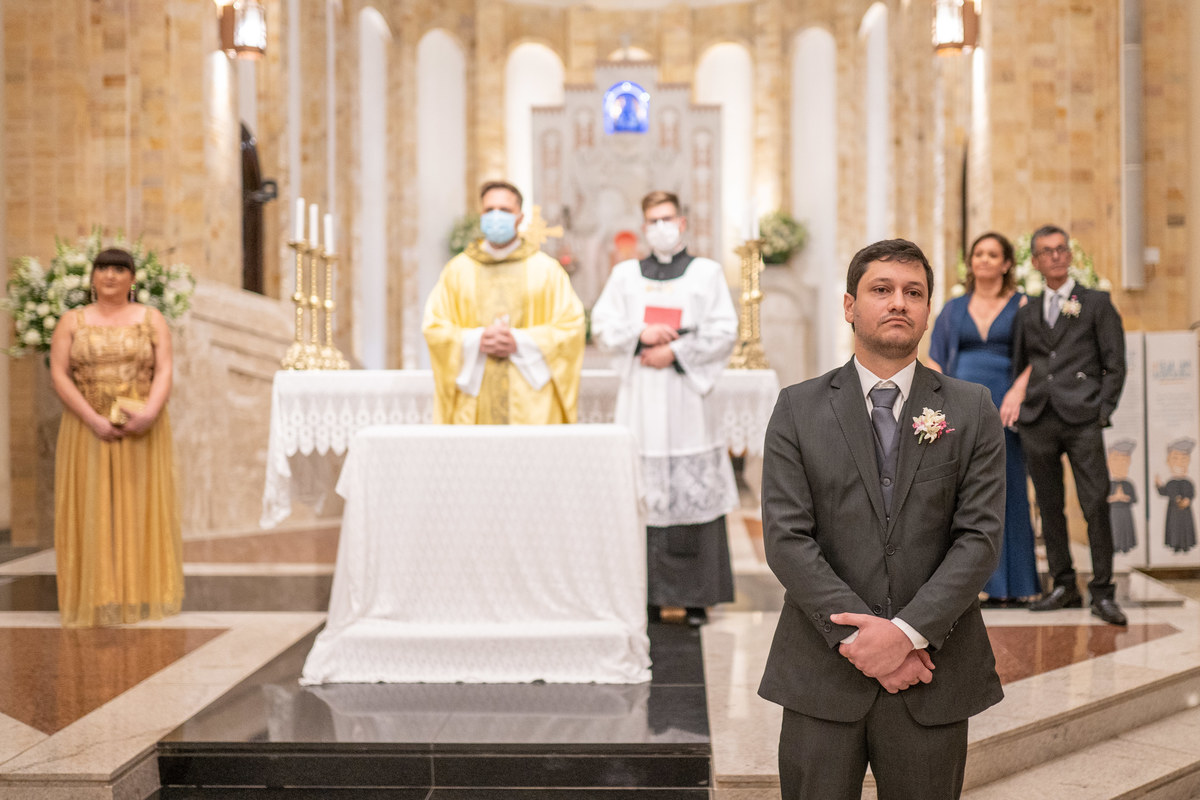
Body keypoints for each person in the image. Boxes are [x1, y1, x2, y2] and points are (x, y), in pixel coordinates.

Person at [758, 239, 1005, 800]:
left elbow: (980, 539)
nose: (899, 302)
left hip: (929, 672)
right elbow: (787, 539)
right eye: (882, 289)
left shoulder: (971, 409)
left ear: (927, 311)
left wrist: (906, 634)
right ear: (849, 306)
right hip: (822, 673)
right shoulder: (798, 408)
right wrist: (865, 641)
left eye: (913, 293)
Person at [590, 190, 739, 627]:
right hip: (641, 399)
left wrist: (674, 353)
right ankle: (648, 596)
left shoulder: (707, 273)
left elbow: (724, 331)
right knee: (645, 494)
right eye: (652, 220)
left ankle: (696, 597)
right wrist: (642, 335)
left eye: (667, 218)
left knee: (690, 495)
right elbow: (602, 325)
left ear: (683, 223)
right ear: (643, 226)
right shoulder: (625, 276)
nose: (660, 227)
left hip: (687, 400)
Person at [1000, 224, 1127, 626]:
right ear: (1035, 261)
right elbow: (1023, 366)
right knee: (1049, 507)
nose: (1055, 256)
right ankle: (1064, 584)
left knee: (1094, 504)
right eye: (1046, 251)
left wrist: (1102, 410)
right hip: (1039, 420)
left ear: (1069, 255)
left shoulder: (1096, 303)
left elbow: (1115, 363)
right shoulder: (1027, 312)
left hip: (1083, 419)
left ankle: (1103, 592)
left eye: (1061, 249)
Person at [49, 247, 183, 627]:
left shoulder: (151, 319)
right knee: (91, 505)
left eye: (119, 269)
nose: (110, 276)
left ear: (133, 278)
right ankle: (97, 592)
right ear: (92, 278)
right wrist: (92, 418)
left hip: (142, 426)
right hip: (86, 425)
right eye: (103, 269)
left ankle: (139, 591)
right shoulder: (71, 321)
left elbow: (165, 368)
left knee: (138, 504)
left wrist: (151, 411)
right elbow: (59, 374)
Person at [928, 231, 1039, 606]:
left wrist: (1017, 393)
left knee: (1007, 490)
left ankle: (1016, 583)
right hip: (960, 409)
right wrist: (943, 403)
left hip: (1006, 410)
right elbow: (935, 358)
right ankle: (967, 583)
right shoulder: (953, 308)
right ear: (971, 262)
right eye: (979, 253)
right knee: (962, 494)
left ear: (1007, 263)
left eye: (993, 254)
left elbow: (1039, 357)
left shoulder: (1024, 304)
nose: (985, 260)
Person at [423, 180, 586, 424]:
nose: (496, 216)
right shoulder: (458, 271)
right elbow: (435, 326)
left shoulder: (546, 270)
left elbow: (571, 327)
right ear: (481, 215)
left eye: (505, 210)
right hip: (473, 404)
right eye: (489, 210)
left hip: (531, 404)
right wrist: (476, 340)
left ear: (520, 217)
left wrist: (519, 341)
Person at [1155, 438, 1197, 554]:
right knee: (1174, 528)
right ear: (1168, 461)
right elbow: (1164, 492)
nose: (1180, 462)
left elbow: (1191, 494)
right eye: (1175, 458)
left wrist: (1187, 500)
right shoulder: (1170, 482)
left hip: (1185, 512)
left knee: (1185, 528)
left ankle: (1186, 546)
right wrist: (1158, 486)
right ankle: (1175, 546)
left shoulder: (1188, 482)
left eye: (1184, 458)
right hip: (1173, 511)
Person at [1107, 439, 1138, 555]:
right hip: (1113, 513)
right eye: (1116, 460)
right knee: (1114, 531)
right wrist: (1115, 497)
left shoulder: (1128, 484)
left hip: (1125, 512)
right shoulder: (1107, 484)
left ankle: (1126, 547)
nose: (1120, 464)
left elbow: (1134, 499)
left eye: (1124, 461)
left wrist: (1123, 497)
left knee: (1125, 531)